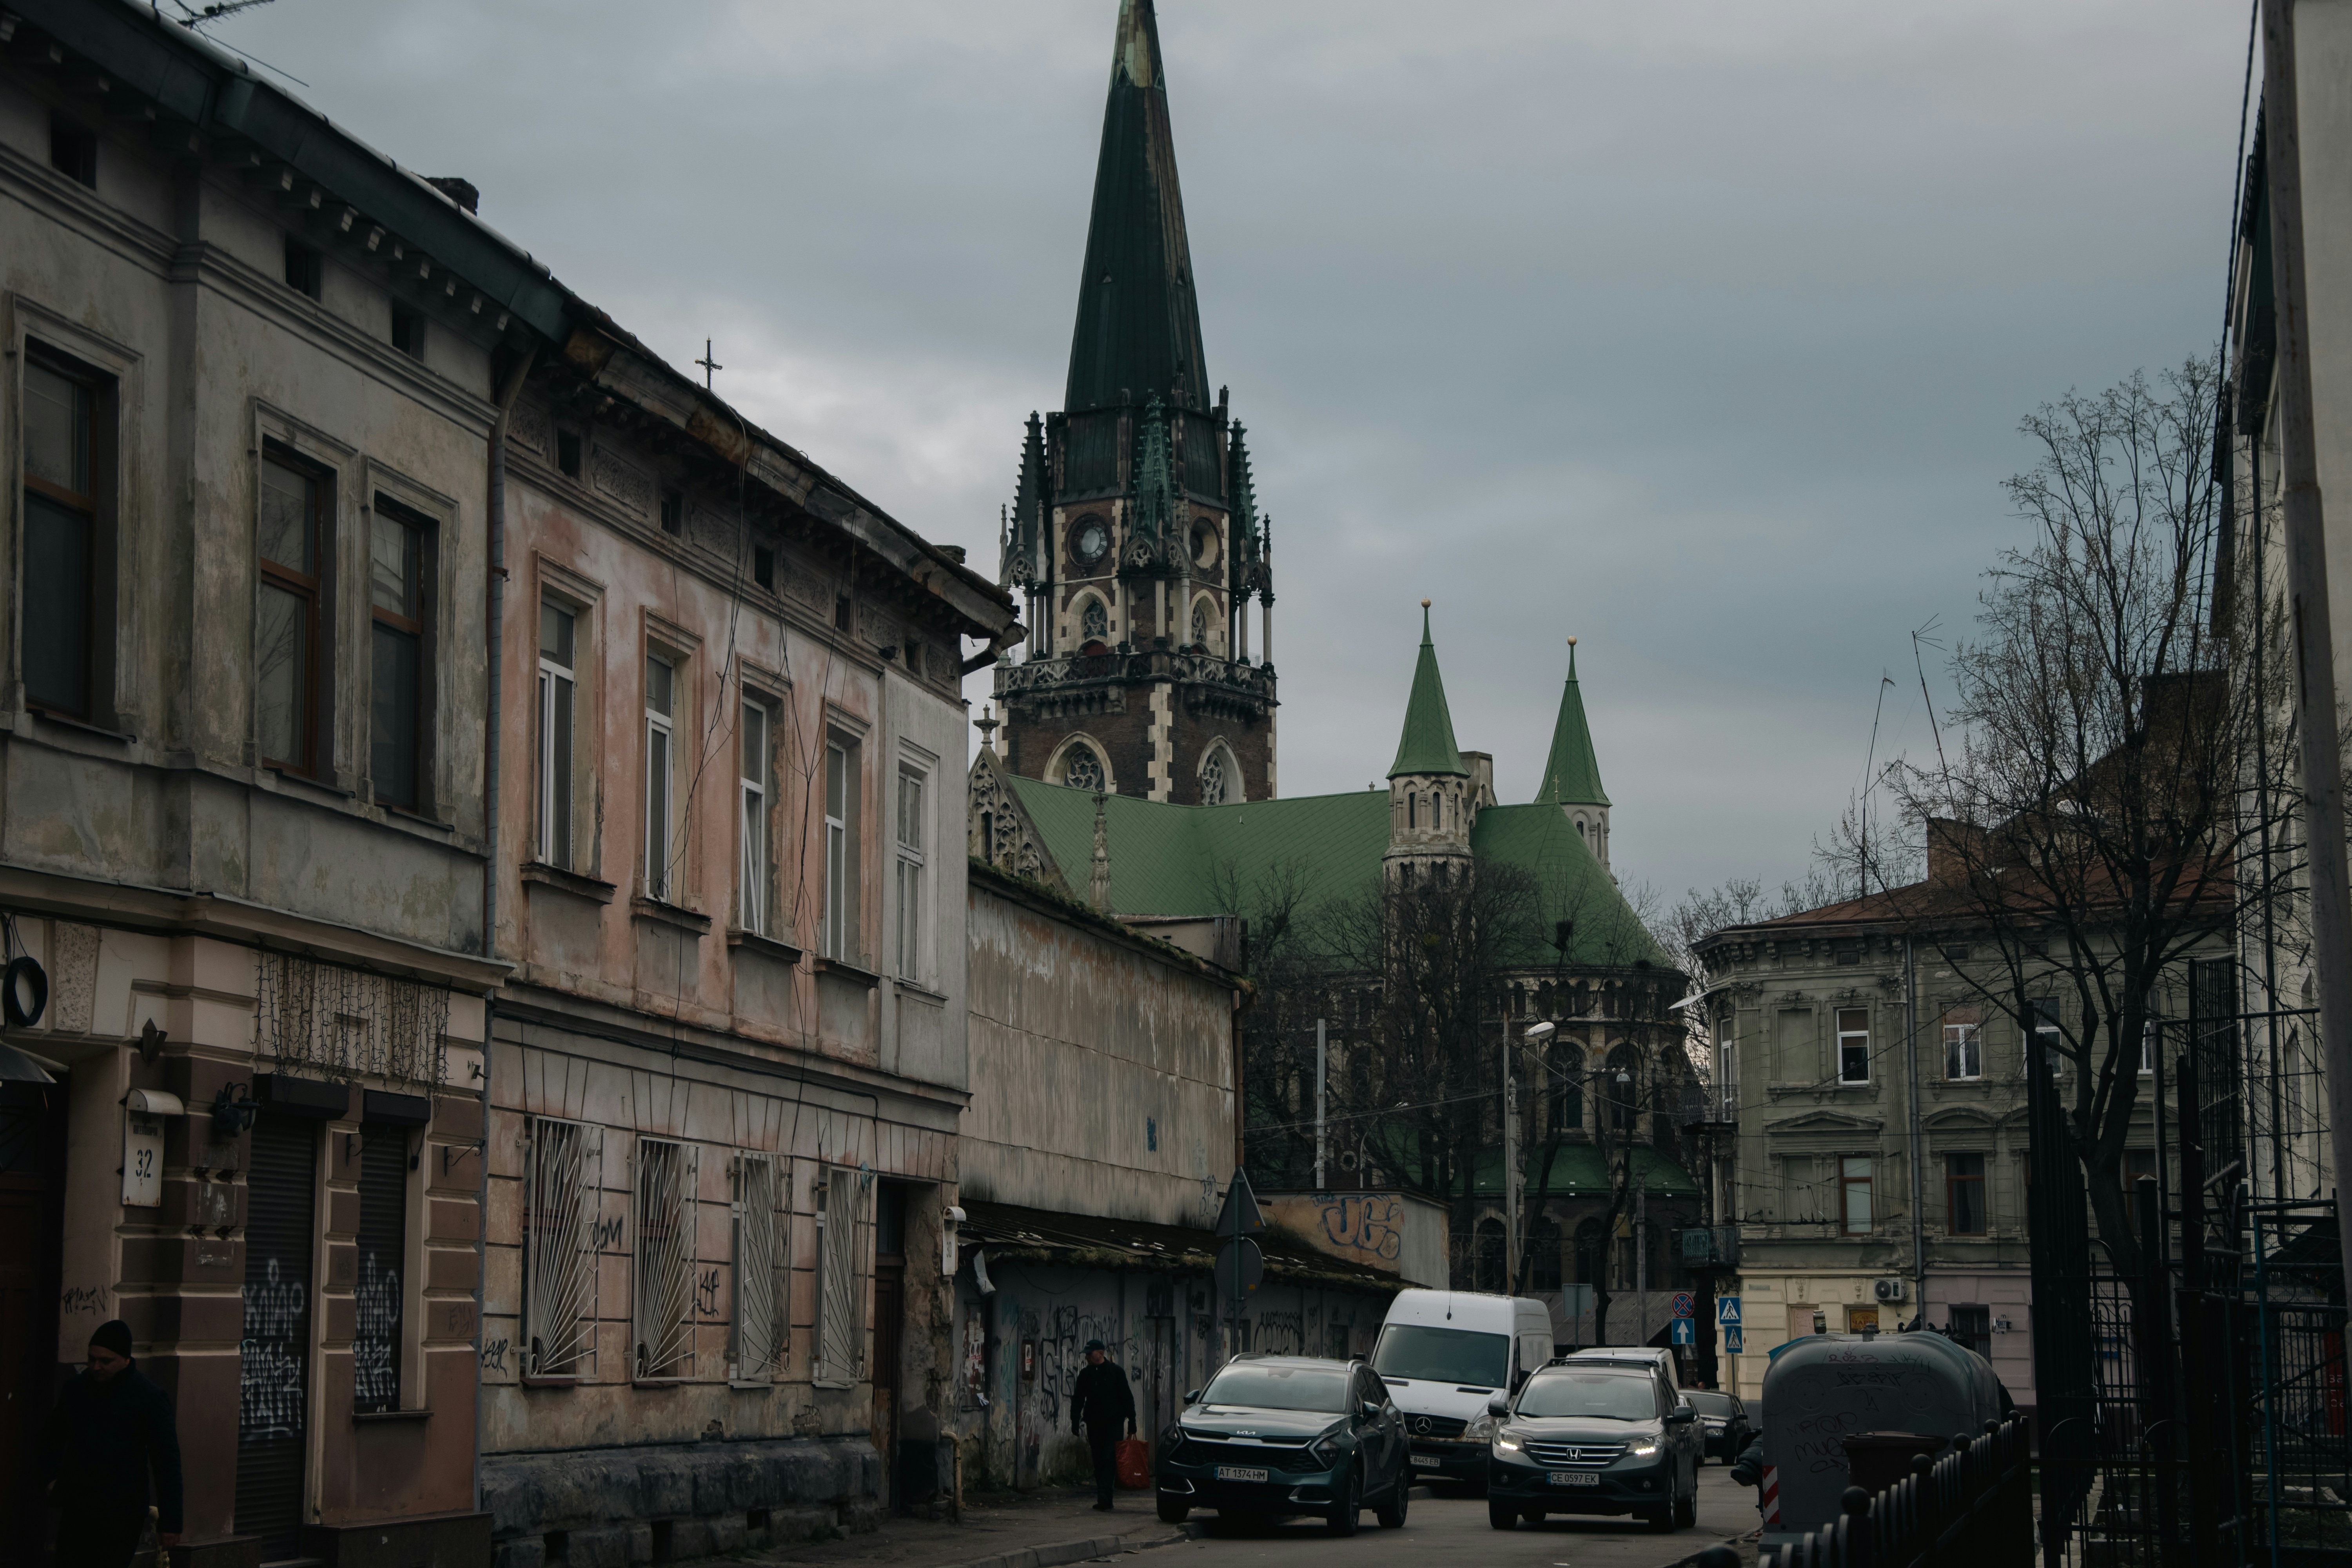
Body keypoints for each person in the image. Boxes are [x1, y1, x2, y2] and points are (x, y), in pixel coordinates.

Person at [39, 1319, 184, 1568]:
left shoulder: (148, 1397)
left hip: (122, 1513)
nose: (96, 1367)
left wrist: (170, 1523)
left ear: (126, 1360)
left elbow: (167, 1462)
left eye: (106, 1361)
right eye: (91, 1358)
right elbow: (52, 1436)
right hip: (77, 1507)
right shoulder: (77, 1389)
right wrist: (51, 1478)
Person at [1069, 1339, 1137, 1511]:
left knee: (1109, 1458)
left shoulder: (1116, 1373)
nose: (1087, 1358)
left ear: (1101, 1353)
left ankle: (1105, 1496)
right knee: (1099, 1459)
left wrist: (1132, 1420)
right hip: (1094, 1424)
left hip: (1113, 1423)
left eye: (1090, 1354)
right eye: (1086, 1355)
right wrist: (1075, 1420)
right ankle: (1104, 1495)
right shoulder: (1085, 1375)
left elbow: (1127, 1397)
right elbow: (1078, 1399)